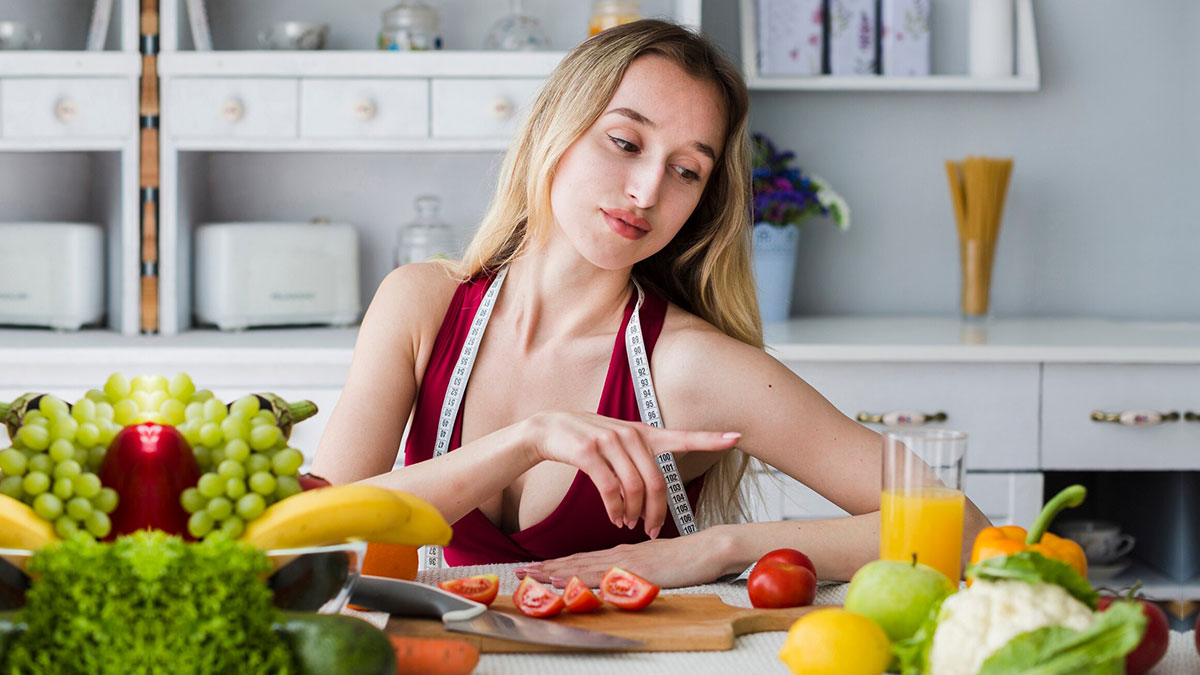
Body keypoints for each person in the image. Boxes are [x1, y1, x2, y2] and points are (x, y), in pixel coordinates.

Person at [311, 19, 990, 589]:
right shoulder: (421, 306)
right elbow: (320, 531)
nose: (645, 190)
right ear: (558, 125)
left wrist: (720, 549)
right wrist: (528, 439)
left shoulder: (690, 366)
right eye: (626, 142)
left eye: (686, 169)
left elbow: (958, 525)